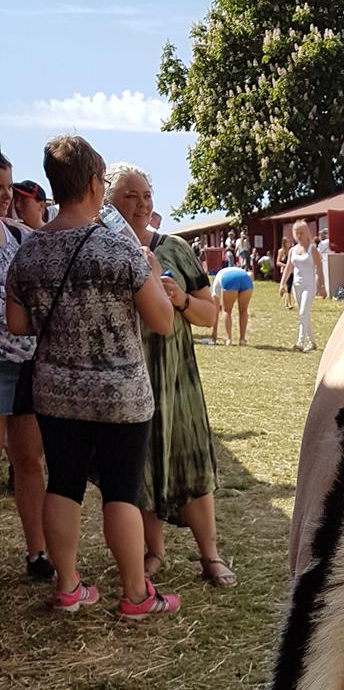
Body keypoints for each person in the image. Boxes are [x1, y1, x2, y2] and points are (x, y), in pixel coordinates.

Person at [6, 135, 180, 618]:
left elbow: (18, 324)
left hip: (55, 391)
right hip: (120, 391)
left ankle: (67, 587)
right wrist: (152, 271)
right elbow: (162, 322)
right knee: (121, 490)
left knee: (62, 483)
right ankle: (136, 596)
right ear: (91, 183)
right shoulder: (119, 248)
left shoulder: (29, 252)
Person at [106, 163, 236, 588]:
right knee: (141, 468)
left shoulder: (176, 248)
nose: (142, 204)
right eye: (130, 196)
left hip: (177, 378)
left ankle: (210, 555)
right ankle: (153, 552)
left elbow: (209, 313)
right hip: (129, 378)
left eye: (146, 195)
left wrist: (181, 301)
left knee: (192, 464)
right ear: (108, 201)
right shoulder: (104, 250)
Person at [0, 152, 51, 577]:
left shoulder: (21, 239)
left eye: (8, 188)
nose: (4, 197)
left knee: (28, 461)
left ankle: (38, 553)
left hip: (25, 365)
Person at [279, 219, 325, 351]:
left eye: (301, 233)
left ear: (307, 233)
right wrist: (282, 284)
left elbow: (319, 268)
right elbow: (288, 268)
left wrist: (322, 286)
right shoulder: (293, 250)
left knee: (304, 312)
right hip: (296, 285)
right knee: (302, 314)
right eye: (296, 233)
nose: (299, 236)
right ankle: (312, 342)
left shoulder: (312, 249)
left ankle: (300, 342)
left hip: (309, 285)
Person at [210, 261, 253, 345]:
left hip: (229, 278)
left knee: (227, 310)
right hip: (245, 278)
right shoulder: (236, 270)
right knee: (243, 311)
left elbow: (215, 308)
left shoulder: (217, 278)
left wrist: (214, 333)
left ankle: (229, 339)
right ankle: (242, 339)